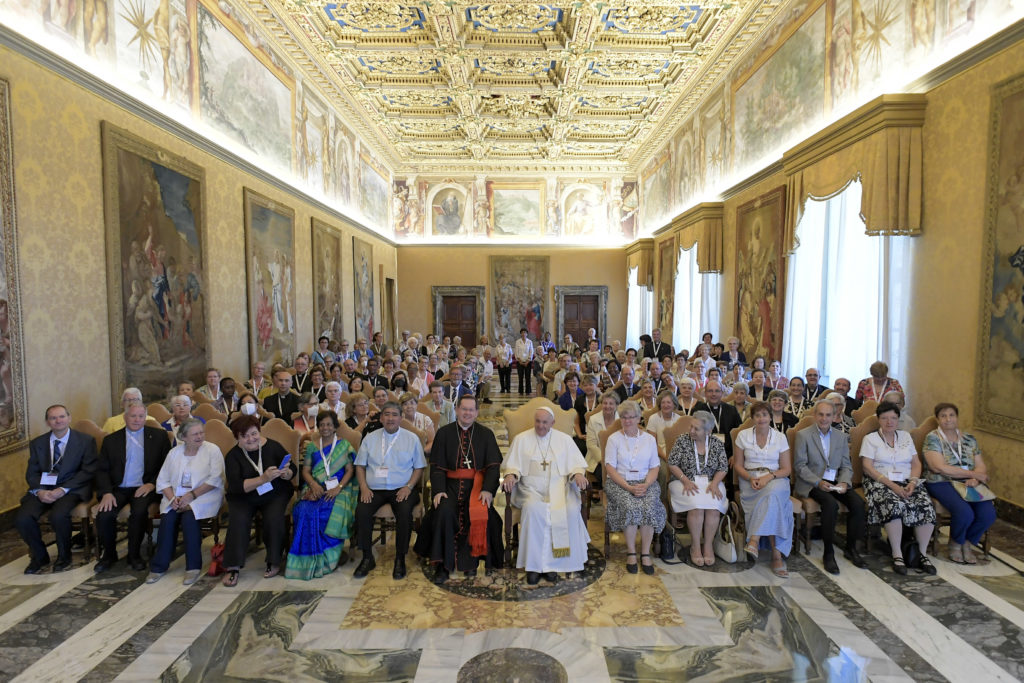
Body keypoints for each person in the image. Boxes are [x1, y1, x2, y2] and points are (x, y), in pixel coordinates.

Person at [419, 395, 503, 583]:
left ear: (476, 412)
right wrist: (439, 490)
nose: (467, 413)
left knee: (486, 515)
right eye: (463, 409)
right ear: (457, 410)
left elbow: (493, 467)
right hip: (450, 487)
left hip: (478, 487)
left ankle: (472, 563)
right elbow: (437, 467)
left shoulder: (486, 434)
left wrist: (488, 490)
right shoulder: (444, 433)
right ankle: (443, 565)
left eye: (471, 410)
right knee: (443, 512)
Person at [501, 407, 590, 585]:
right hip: (530, 490)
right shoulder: (521, 439)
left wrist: (578, 474)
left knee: (571, 509)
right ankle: (534, 566)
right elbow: (512, 465)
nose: (540, 426)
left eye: (544, 422)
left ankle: (554, 565)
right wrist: (510, 475)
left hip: (560, 489)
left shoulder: (564, 440)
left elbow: (576, 465)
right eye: (538, 421)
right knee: (533, 510)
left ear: (552, 423)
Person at [17, 405, 98, 574]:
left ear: (69, 418)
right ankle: (40, 557)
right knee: (22, 518)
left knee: (58, 515)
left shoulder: (85, 441)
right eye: (53, 418)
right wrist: (40, 491)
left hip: (71, 489)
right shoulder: (38, 443)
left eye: (61, 416)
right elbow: (32, 473)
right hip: (44, 489)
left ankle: (64, 556)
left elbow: (88, 471)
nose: (58, 421)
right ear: (48, 422)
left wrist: (63, 489)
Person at [860, 401, 937, 575]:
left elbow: (916, 463)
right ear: (878, 419)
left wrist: (913, 482)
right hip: (880, 481)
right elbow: (867, 468)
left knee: (924, 504)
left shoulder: (905, 437)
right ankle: (897, 554)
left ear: (898, 419)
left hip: (907, 481)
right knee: (893, 504)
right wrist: (893, 486)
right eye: (885, 418)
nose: (889, 422)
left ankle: (922, 554)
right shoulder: (870, 439)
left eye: (893, 418)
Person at [353, 402, 427, 580]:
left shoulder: (411, 438)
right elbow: (360, 466)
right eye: (387, 414)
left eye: (395, 414)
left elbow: (419, 468)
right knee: (361, 512)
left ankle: (400, 558)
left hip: (402, 488)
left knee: (404, 514)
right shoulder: (370, 438)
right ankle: (367, 557)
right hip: (374, 489)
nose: (390, 418)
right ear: (381, 418)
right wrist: (363, 487)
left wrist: (408, 487)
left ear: (401, 418)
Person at [94, 402, 171, 572]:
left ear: (146, 417)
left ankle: (134, 555)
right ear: (125, 417)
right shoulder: (110, 440)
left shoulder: (159, 436)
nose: (137, 420)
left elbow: (166, 466)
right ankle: (109, 555)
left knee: (139, 512)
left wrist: (152, 484)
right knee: (105, 514)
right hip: (118, 488)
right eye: (133, 416)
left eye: (141, 416)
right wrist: (106, 492)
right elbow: (102, 470)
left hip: (145, 486)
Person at [793, 400, 867, 574]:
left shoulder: (840, 437)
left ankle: (851, 549)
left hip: (835, 480)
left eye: (828, 415)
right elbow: (800, 466)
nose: (824, 418)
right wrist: (818, 482)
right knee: (830, 504)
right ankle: (828, 553)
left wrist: (844, 482)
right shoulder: (803, 435)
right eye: (820, 414)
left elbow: (846, 465)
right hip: (812, 481)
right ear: (814, 415)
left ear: (834, 417)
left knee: (857, 504)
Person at [221, 415, 296, 586]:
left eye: (254, 434)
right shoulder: (233, 456)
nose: (251, 439)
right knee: (238, 519)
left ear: (259, 431)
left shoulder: (272, 446)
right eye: (244, 436)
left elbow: (292, 466)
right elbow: (237, 486)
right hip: (244, 496)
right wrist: (263, 479)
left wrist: (287, 473)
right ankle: (233, 566)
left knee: (274, 517)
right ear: (237, 438)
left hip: (275, 493)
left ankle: (274, 561)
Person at [146, 419, 223, 585]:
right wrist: (173, 498)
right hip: (175, 497)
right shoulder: (174, 453)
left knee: (189, 518)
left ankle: (193, 567)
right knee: (168, 519)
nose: (200, 436)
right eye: (195, 434)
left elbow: (215, 479)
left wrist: (192, 496)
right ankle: (159, 566)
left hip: (204, 496)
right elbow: (163, 481)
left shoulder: (212, 450)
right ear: (184, 437)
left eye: (201, 432)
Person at [285, 410, 357, 579]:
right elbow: (306, 470)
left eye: (329, 425)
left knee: (325, 511)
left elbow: (350, 470)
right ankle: (305, 558)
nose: (325, 428)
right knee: (302, 510)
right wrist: (313, 485)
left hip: (339, 489)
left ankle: (328, 556)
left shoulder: (344, 445)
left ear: (335, 427)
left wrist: (338, 487)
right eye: (322, 425)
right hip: (315, 488)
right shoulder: (312, 445)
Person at [923, 402, 996, 565]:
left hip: (968, 482)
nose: (948, 419)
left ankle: (968, 542)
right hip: (941, 482)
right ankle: (955, 543)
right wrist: (973, 474)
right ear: (937, 419)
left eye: (951, 415)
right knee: (965, 512)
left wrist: (976, 478)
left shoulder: (969, 439)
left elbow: (981, 465)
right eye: (943, 416)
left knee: (988, 514)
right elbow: (939, 467)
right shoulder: (933, 438)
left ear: (957, 417)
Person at [603, 401, 666, 575]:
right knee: (630, 505)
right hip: (619, 482)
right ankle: (631, 552)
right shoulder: (613, 439)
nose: (627, 420)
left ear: (639, 418)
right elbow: (610, 468)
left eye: (631, 417)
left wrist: (645, 484)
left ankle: (645, 553)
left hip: (646, 482)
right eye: (624, 417)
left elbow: (655, 467)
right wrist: (628, 488)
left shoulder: (649, 439)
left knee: (649, 506)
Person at [734, 402, 794, 578]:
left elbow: (786, 469)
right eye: (757, 415)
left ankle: (754, 539)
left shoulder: (780, 437)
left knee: (773, 494)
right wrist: (751, 478)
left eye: (764, 415)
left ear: (771, 417)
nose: (761, 418)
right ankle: (776, 557)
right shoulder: (743, 436)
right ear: (752, 418)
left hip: (776, 478)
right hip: (750, 481)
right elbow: (737, 465)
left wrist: (769, 477)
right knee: (775, 503)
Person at [667, 410, 728, 567]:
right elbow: (672, 463)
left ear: (708, 431)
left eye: (697, 429)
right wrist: (685, 480)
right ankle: (695, 546)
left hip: (710, 482)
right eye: (691, 427)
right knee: (697, 507)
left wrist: (715, 483)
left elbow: (723, 467)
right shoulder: (682, 441)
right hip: (684, 481)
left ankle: (707, 546)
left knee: (714, 508)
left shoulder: (716, 443)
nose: (691, 431)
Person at [695, 381, 742, 459]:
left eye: (717, 391)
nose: (714, 394)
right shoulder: (698, 411)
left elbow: (739, 434)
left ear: (722, 393)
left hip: (728, 454)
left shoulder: (731, 410)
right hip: (705, 454)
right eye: (710, 391)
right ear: (705, 393)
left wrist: (735, 455)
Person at [646, 390, 680, 456]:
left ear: (674, 404)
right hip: (658, 454)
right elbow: (653, 445)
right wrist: (666, 458)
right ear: (660, 404)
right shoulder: (653, 419)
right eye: (663, 402)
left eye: (668, 402)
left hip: (676, 454)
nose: (665, 405)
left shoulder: (679, 419)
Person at [514, 328, 534, 395]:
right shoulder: (517, 342)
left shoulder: (530, 342)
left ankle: (528, 391)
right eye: (522, 332)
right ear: (521, 334)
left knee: (527, 377)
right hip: (520, 362)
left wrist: (528, 361)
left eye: (525, 332)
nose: (523, 334)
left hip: (528, 362)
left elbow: (531, 352)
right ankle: (521, 391)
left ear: (527, 334)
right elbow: (516, 352)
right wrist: (520, 361)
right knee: (520, 377)